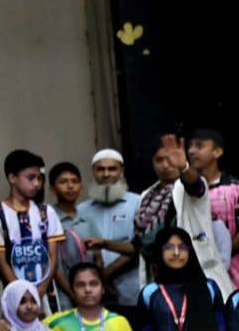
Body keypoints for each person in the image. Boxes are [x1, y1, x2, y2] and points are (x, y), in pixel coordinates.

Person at [136, 134, 233, 299]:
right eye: (159, 160)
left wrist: (184, 168)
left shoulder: (186, 186)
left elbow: (196, 186)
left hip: (197, 276)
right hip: (159, 277)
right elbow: (141, 241)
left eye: (169, 159)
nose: (166, 165)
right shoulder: (147, 195)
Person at [0, 150, 64, 310]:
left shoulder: (46, 212)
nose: (37, 183)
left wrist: (41, 289)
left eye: (39, 178)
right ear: (12, 178)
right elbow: (1, 261)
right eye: (31, 178)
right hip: (12, 291)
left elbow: (53, 256)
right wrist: (23, 293)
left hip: (45, 292)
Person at [76, 149, 143, 313]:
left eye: (112, 169)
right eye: (100, 169)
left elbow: (140, 246)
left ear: (121, 171)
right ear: (93, 172)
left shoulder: (138, 203)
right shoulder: (81, 210)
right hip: (91, 294)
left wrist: (104, 275)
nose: (106, 174)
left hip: (131, 292)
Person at [186, 129, 238, 288]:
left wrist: (219, 254)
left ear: (217, 152)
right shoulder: (180, 192)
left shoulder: (235, 188)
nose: (191, 151)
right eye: (190, 146)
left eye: (199, 145)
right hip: (195, 274)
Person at [47, 163, 94, 311]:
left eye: (75, 181)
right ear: (52, 189)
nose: (70, 186)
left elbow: (96, 257)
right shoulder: (48, 218)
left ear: (81, 187)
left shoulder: (87, 219)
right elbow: (52, 263)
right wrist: (74, 294)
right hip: (62, 297)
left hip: (88, 293)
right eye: (63, 182)